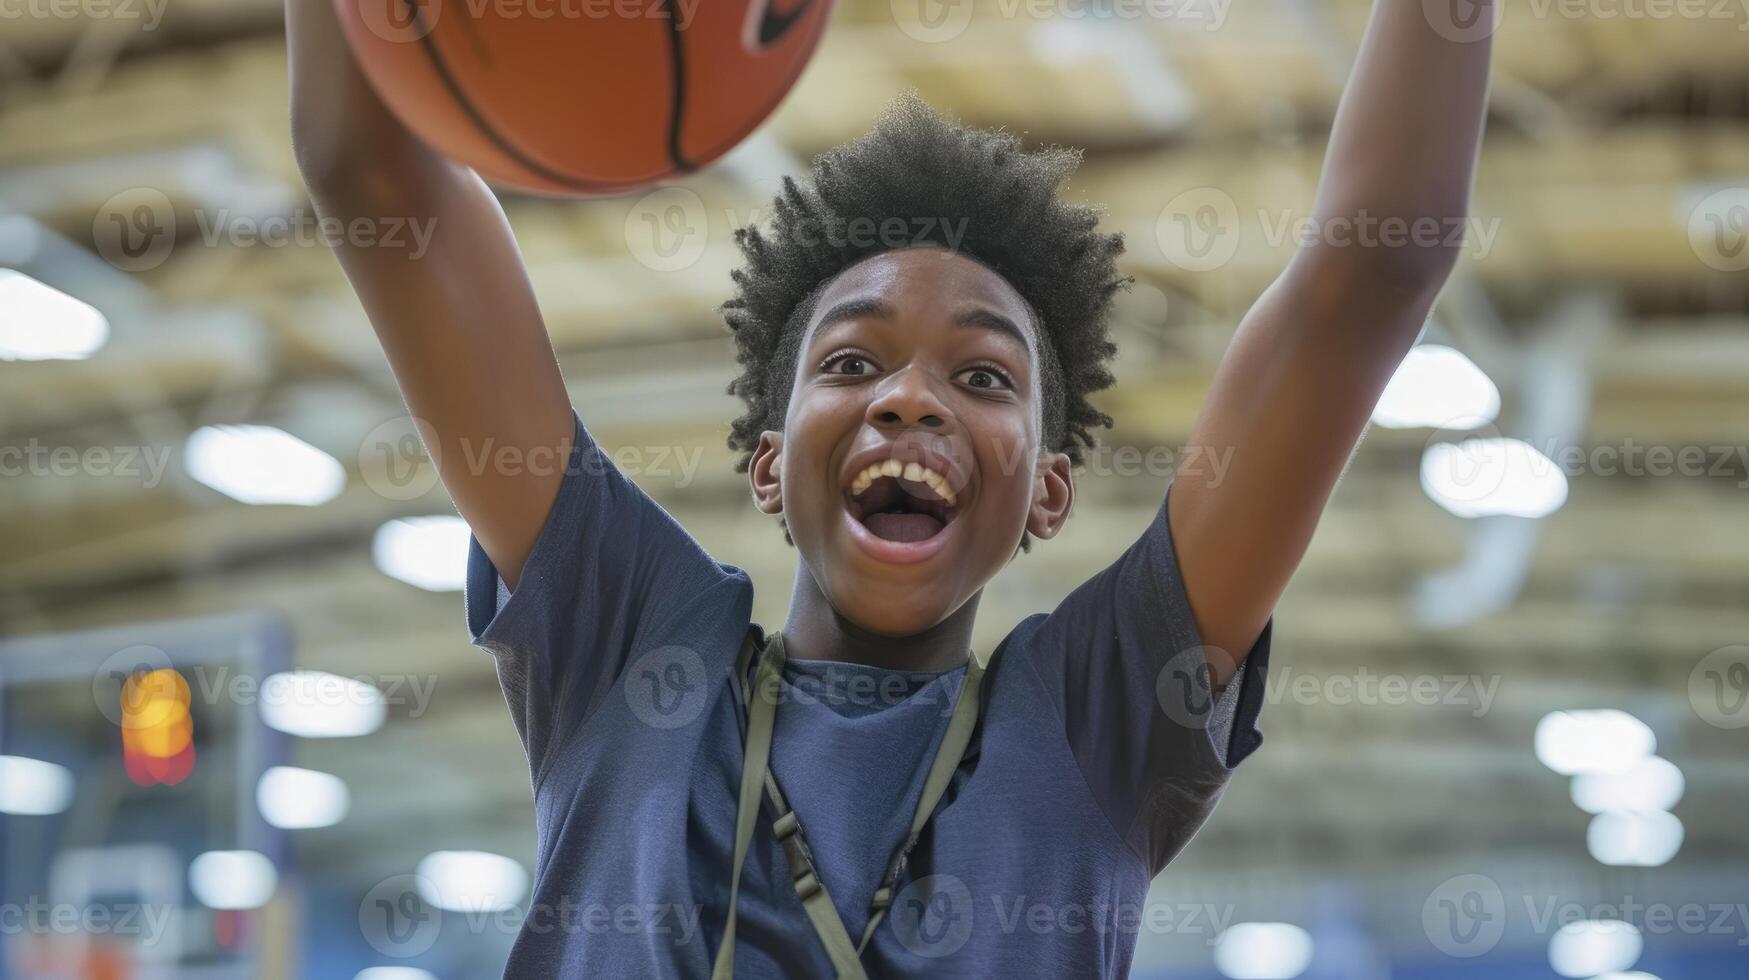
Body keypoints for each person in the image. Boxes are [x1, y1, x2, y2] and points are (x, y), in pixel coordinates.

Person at [285, 1, 1493, 975]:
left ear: (1049, 494)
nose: (910, 400)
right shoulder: (633, 639)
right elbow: (371, 173)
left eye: (981, 374)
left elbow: (1375, 266)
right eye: (853, 361)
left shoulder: (1096, 716)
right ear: (769, 461)